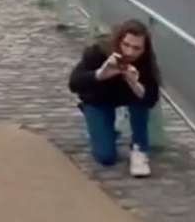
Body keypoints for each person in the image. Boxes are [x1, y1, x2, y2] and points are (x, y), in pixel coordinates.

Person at [68, 18, 160, 177]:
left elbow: (151, 99)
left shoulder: (145, 61)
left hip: (129, 97)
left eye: (137, 48)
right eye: (126, 45)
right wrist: (100, 74)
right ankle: (101, 125)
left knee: (140, 101)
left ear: (144, 49)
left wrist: (135, 83)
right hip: (99, 98)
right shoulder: (97, 52)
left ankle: (139, 149)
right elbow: (74, 84)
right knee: (105, 157)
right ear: (118, 42)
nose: (130, 52)